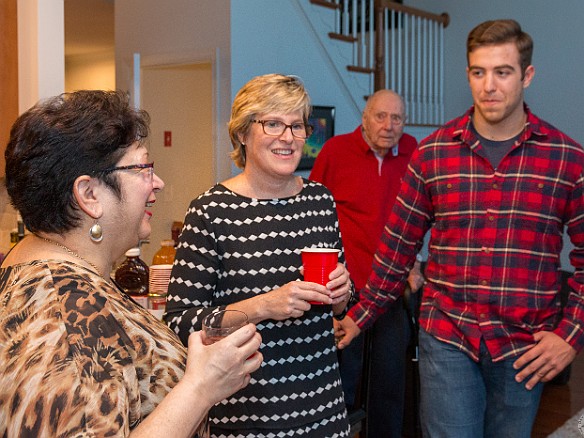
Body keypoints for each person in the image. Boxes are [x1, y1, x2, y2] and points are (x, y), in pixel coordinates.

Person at [336, 19, 584, 438]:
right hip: (448, 335)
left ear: (526, 75)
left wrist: (569, 336)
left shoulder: (567, 160)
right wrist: (360, 317)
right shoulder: (433, 153)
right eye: (478, 72)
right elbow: (397, 247)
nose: (489, 85)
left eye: (502, 72)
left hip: (524, 344)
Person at [0, 90, 263, 437]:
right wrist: (202, 387)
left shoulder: (37, 262)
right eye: (142, 168)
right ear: (90, 195)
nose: (157, 183)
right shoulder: (71, 315)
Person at [164, 73, 353, 437]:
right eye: (273, 124)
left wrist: (343, 294)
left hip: (324, 410)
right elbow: (179, 323)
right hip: (246, 417)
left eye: (297, 126)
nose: (288, 137)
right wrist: (264, 305)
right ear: (242, 133)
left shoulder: (320, 201)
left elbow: (340, 303)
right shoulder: (210, 211)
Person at [310, 89, 424, 437]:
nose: (389, 126)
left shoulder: (413, 152)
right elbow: (314, 212)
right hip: (345, 288)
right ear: (364, 118)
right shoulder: (335, 151)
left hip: (391, 288)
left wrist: (416, 262)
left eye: (397, 119)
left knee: (390, 379)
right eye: (381, 116)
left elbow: (422, 213)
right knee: (344, 377)